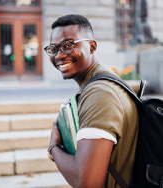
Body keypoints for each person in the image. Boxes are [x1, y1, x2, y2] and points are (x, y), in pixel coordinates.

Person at [45, 14, 138, 188]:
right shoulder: (97, 84)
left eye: (68, 45)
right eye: (53, 48)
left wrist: (53, 147)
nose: (59, 55)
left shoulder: (100, 94)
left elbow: (86, 183)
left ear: (92, 46)